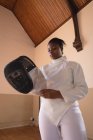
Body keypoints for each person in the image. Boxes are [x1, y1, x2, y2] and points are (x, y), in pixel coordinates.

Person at [38, 37, 88, 140]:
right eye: (49, 50)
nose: (51, 51)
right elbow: (36, 86)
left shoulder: (74, 66)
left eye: (54, 48)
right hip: (46, 111)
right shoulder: (43, 69)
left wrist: (58, 94)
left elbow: (83, 89)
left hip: (68, 108)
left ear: (61, 48)